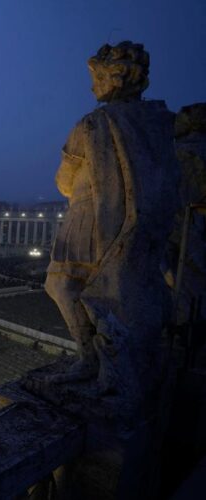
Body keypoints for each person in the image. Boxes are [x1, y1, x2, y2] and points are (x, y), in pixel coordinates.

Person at [45, 41, 181, 397]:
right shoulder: (162, 124)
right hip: (143, 227)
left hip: (92, 220)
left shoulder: (93, 125)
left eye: (98, 77)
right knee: (126, 293)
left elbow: (62, 181)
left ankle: (90, 359)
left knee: (62, 284)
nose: (93, 87)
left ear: (116, 78)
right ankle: (118, 364)